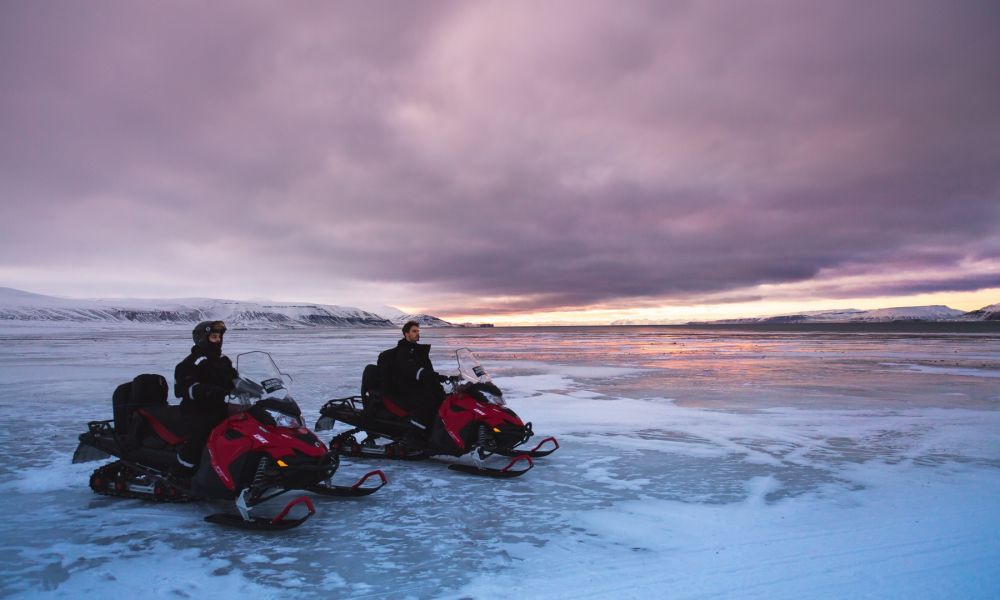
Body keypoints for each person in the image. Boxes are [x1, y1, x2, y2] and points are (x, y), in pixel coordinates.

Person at [173, 320, 238, 473]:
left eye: (219, 337)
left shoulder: (223, 360)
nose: (218, 341)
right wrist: (204, 390)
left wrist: (253, 386)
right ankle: (183, 472)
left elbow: (234, 377)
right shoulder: (192, 362)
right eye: (214, 337)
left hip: (219, 407)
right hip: (197, 410)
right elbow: (183, 387)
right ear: (203, 339)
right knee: (202, 435)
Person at [377, 321, 446, 442]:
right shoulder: (403, 351)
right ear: (406, 334)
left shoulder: (416, 350)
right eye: (414, 331)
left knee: (442, 398)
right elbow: (410, 369)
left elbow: (425, 369)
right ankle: (414, 435)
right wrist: (427, 375)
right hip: (404, 388)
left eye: (418, 331)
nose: (417, 333)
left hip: (416, 385)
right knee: (426, 403)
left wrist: (438, 378)